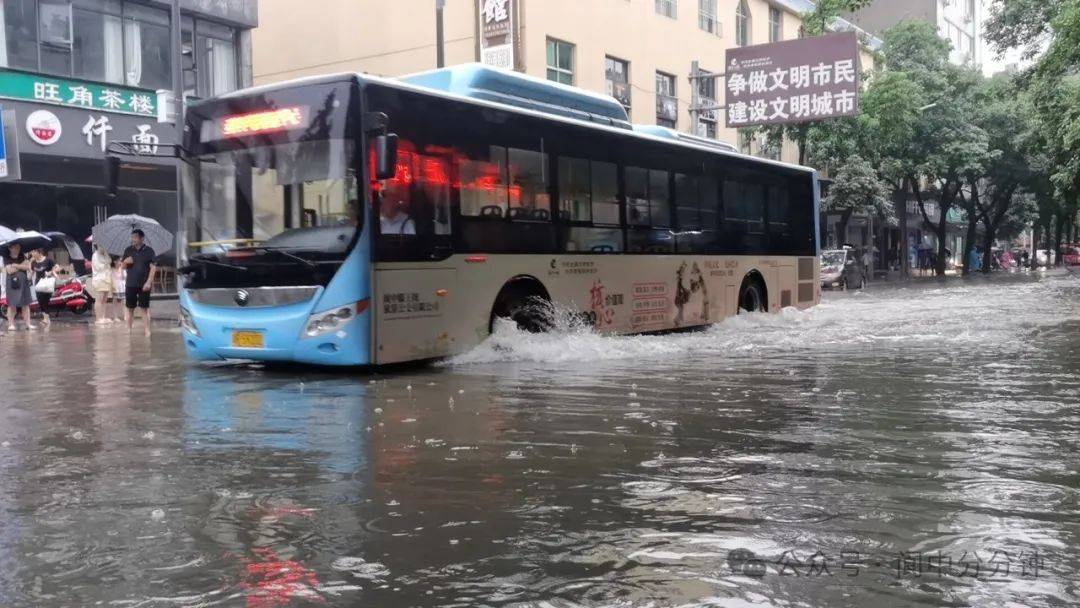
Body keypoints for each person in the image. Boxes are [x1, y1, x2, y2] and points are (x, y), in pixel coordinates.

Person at [121, 229, 157, 336]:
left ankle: (147, 330)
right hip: (130, 283)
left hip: (144, 284)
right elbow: (122, 267)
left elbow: (153, 267)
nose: (133, 239)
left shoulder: (149, 251)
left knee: (144, 308)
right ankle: (128, 329)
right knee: (130, 308)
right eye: (132, 237)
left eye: (135, 237)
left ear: (142, 238)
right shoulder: (128, 250)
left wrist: (149, 282)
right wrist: (125, 262)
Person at [3, 243, 35, 331]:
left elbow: (27, 267)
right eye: (16, 247)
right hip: (12, 284)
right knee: (12, 304)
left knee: (26, 304)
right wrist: (22, 266)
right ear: (10, 248)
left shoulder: (22, 255)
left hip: (24, 283)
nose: (18, 249)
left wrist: (16, 265)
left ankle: (28, 324)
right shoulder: (6, 257)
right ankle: (11, 324)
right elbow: (9, 271)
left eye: (19, 247)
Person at [30, 248, 56, 326]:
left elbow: (57, 267)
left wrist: (50, 272)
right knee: (40, 301)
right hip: (38, 284)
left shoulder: (48, 260)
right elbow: (31, 273)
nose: (32, 254)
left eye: (33, 252)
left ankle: (46, 319)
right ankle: (46, 318)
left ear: (39, 252)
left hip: (47, 283)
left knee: (45, 301)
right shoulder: (33, 262)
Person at [91, 244, 114, 325]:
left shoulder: (105, 254)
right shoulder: (95, 255)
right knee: (99, 300)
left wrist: (107, 262)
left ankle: (103, 317)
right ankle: (98, 318)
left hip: (106, 278)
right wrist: (106, 263)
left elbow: (110, 261)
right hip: (99, 279)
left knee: (104, 300)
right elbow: (98, 267)